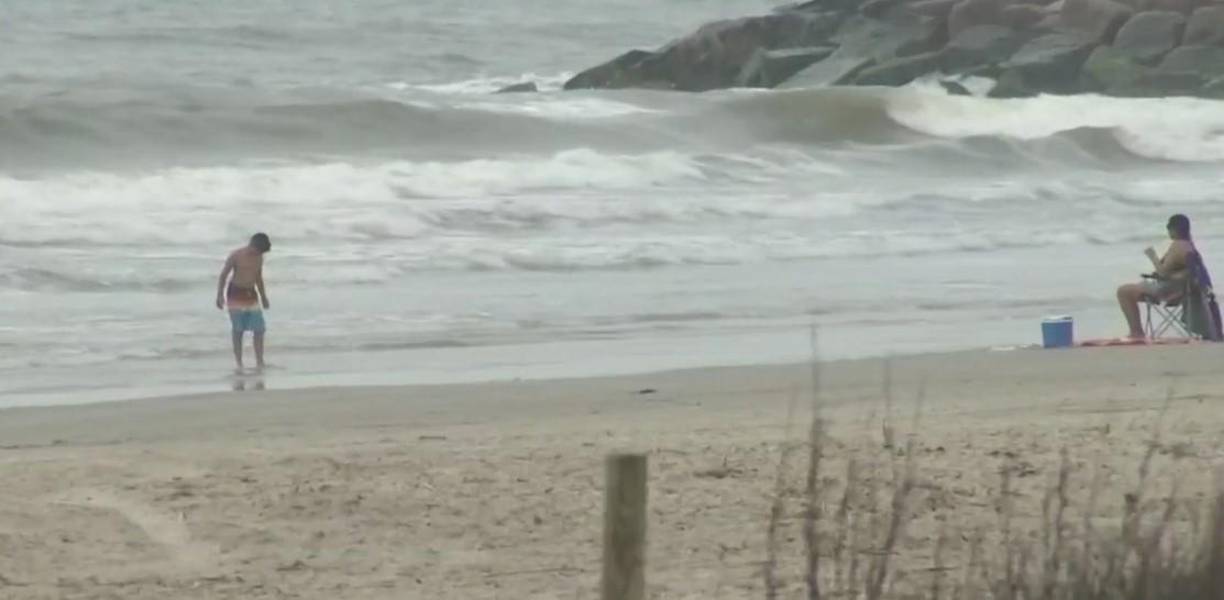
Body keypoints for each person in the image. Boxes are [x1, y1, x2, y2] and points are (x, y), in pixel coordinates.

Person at [1116, 215, 1194, 339]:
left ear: (1174, 229)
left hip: (1167, 291)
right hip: (1182, 290)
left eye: (1169, 228)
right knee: (1134, 289)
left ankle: (1137, 332)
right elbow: (1180, 271)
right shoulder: (1189, 245)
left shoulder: (1177, 246)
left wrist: (1152, 256)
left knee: (1123, 291)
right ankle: (1137, 332)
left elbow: (1163, 273)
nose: (1168, 231)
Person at [216, 233, 272, 370]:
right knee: (238, 330)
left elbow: (258, 277)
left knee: (259, 329)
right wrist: (219, 295)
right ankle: (239, 363)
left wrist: (263, 296)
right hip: (235, 293)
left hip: (251, 294)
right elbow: (223, 275)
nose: (257, 254)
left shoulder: (259, 258)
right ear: (252, 244)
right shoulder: (236, 255)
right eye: (256, 251)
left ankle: (260, 361)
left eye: (259, 253)